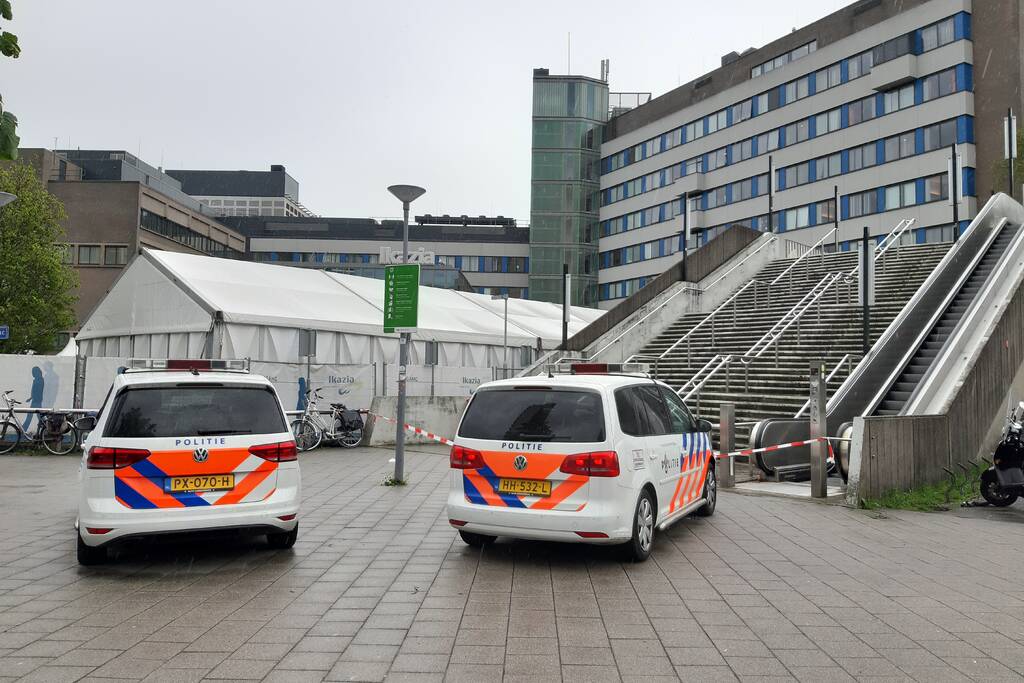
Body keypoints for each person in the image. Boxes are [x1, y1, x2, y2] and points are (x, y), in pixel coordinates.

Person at [23, 366, 43, 432]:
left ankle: (23, 429)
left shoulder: (39, 380)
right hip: (36, 400)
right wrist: (30, 398)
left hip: (36, 401)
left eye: (33, 372)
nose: (32, 374)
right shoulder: (38, 379)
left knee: (30, 416)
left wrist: (32, 398)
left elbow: (37, 391)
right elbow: (34, 391)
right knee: (38, 416)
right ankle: (45, 429)